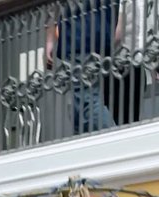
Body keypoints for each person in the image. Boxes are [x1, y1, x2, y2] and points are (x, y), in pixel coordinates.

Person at [46, 0, 118, 134]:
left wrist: (50, 39)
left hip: (79, 33)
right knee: (79, 108)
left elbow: (53, 6)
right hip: (101, 31)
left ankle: (120, 142)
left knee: (87, 102)